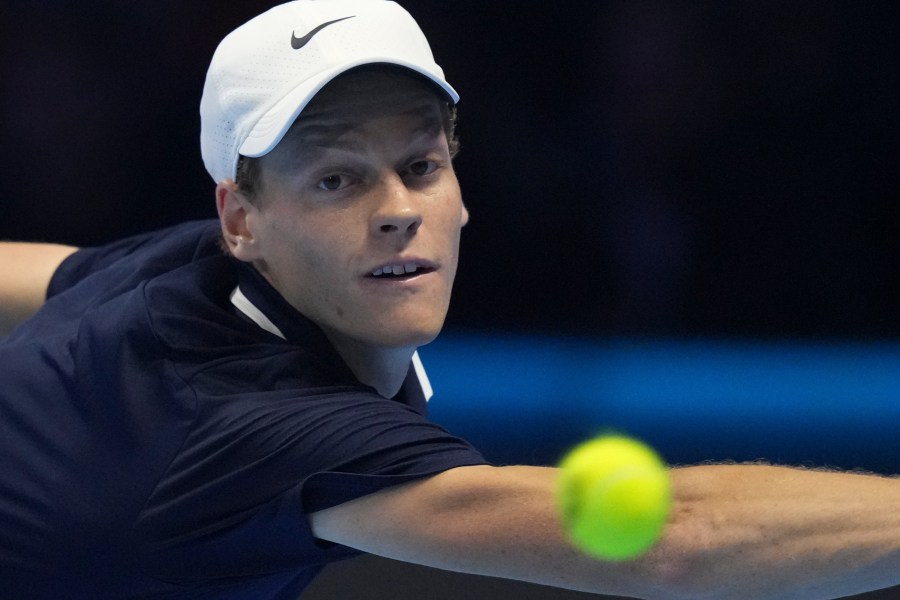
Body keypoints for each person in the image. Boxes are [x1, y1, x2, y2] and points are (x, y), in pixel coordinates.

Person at [1, 1, 898, 599]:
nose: (397, 211)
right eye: (337, 180)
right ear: (243, 218)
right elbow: (679, 541)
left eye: (421, 166)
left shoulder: (170, 271)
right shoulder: (264, 430)